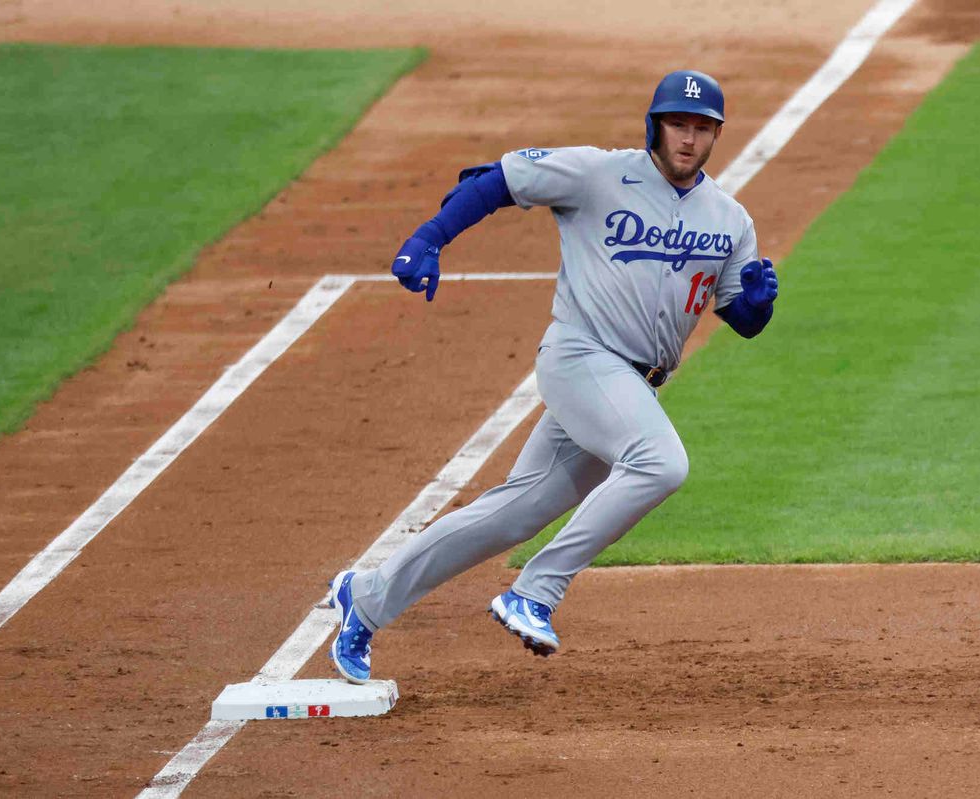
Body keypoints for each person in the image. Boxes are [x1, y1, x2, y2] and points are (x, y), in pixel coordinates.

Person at [328, 69, 779, 683]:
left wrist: (758, 301)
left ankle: (368, 596)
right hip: (580, 356)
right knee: (660, 462)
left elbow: (743, 320)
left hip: (631, 385)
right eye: (679, 124)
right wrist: (429, 238)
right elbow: (498, 180)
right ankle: (535, 591)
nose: (689, 140)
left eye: (702, 129)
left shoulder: (730, 219)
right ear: (656, 126)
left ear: (716, 136)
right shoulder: (598, 173)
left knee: (510, 515)